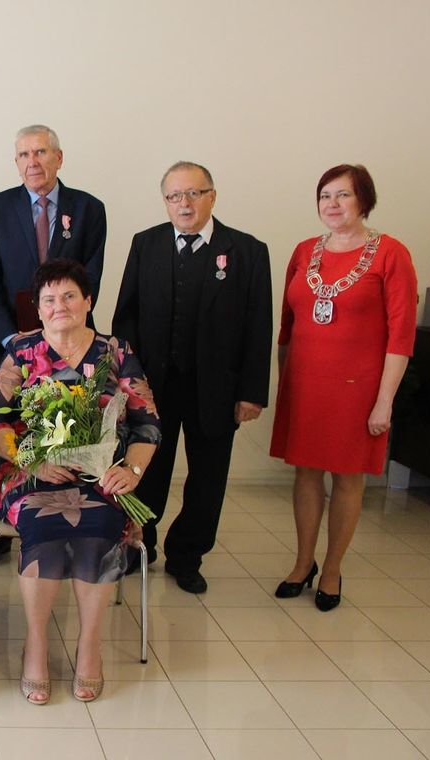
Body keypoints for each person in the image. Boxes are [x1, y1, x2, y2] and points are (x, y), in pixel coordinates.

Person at [0, 258, 160, 705]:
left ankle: (89, 644)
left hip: (101, 476)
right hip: (32, 474)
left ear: (88, 302)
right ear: (38, 310)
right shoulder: (21, 352)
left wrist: (132, 471)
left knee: (99, 527)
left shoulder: (115, 353)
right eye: (49, 299)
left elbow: (147, 424)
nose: (59, 306)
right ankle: (37, 644)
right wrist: (30, 460)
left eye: (68, 296)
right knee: (41, 526)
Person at [112, 161, 272, 594]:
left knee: (208, 477)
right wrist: (125, 385)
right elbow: (126, 318)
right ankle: (139, 545)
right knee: (147, 469)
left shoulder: (248, 252)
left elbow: (259, 328)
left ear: (212, 196)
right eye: (174, 196)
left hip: (217, 390)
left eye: (193, 194)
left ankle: (188, 555)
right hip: (153, 390)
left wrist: (252, 392)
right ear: (165, 201)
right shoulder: (146, 245)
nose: (184, 203)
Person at [270, 165, 418, 612]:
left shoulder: (390, 254)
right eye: (324, 196)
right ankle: (302, 562)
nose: (332, 205)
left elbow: (401, 336)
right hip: (306, 384)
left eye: (343, 196)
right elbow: (287, 327)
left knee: (348, 479)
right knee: (306, 474)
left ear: (364, 201)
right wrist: (284, 383)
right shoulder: (304, 251)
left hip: (359, 389)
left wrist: (385, 400)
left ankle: (332, 568)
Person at [0, 124, 107, 564]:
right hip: (8, 343)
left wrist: (57, 334)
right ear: (16, 162)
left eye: (41, 152)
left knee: (65, 429)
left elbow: (89, 279)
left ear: (59, 158)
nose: (33, 162)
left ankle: (64, 519)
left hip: (69, 341)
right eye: (24, 155)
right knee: (5, 432)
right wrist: (14, 340)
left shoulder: (89, 209)